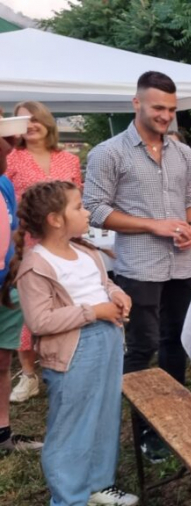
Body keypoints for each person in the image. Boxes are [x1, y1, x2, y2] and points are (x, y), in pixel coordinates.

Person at [83, 70, 191, 462]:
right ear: (136, 104)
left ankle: (172, 418)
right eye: (157, 107)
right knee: (142, 347)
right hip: (138, 267)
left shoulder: (184, 152)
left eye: (171, 108)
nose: (166, 115)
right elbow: (95, 210)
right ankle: (144, 429)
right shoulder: (109, 152)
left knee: (175, 343)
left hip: (182, 265)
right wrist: (153, 224)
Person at [14, 180, 137, 506]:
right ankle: (68, 497)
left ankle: (97, 484)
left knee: (104, 414)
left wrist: (117, 295)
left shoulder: (85, 251)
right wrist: (94, 311)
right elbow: (41, 321)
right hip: (72, 353)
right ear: (55, 219)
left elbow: (104, 283)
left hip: (108, 341)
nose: (86, 213)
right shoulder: (36, 266)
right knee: (73, 426)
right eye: (79, 207)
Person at [6, 100, 83, 404]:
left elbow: (78, 199)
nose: (31, 125)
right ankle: (28, 375)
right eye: (23, 121)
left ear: (47, 122)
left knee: (66, 301)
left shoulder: (68, 159)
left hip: (66, 243)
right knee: (27, 308)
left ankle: (66, 362)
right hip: (28, 244)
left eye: (36, 119)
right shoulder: (12, 158)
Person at [0, 124, 42, 453]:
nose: (12, 144)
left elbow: (14, 231)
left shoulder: (4, 185)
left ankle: (3, 435)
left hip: (5, 287)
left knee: (2, 363)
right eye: (4, 137)